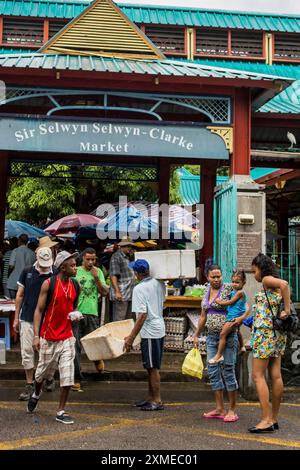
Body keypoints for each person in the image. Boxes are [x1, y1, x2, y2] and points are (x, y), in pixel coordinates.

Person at [27, 251, 80, 425]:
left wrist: (75, 315)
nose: (75, 268)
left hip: (67, 337)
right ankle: (36, 393)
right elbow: (39, 311)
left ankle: (61, 411)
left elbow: (72, 307)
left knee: (67, 375)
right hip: (48, 337)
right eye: (72, 265)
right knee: (40, 374)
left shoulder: (75, 285)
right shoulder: (48, 284)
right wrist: (36, 336)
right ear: (62, 267)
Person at [193, 264, 242, 423]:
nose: (216, 279)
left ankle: (232, 409)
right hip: (212, 338)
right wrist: (196, 334)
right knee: (213, 371)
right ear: (207, 277)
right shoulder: (206, 292)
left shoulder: (229, 289)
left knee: (228, 370)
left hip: (228, 337)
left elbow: (243, 306)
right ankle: (220, 408)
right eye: (213, 277)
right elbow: (202, 316)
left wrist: (236, 321)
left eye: (219, 276)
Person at [249, 253, 291, 434]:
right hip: (276, 333)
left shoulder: (267, 279)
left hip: (265, 333)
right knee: (275, 375)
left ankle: (266, 419)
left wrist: (287, 310)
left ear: (261, 268)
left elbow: (285, 284)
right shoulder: (271, 282)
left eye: (254, 270)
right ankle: (273, 418)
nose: (254, 275)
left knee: (257, 375)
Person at [13, 247, 56, 400]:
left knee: (48, 353)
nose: (45, 266)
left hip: (48, 320)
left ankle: (49, 377)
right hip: (27, 317)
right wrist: (16, 317)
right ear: (37, 258)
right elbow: (19, 295)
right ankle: (29, 383)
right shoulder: (27, 271)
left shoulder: (55, 273)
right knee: (27, 352)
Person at [124, 259, 165, 411]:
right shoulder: (159, 283)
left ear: (137, 273)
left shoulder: (139, 288)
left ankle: (157, 400)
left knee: (152, 367)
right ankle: (151, 397)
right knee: (150, 366)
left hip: (150, 331)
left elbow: (142, 316)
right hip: (159, 327)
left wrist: (131, 337)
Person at [72, 247, 108, 391]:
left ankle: (97, 359)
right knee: (75, 347)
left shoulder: (98, 271)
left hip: (92, 313)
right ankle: (76, 378)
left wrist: (97, 278)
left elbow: (105, 292)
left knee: (93, 343)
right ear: (83, 259)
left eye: (93, 259)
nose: (91, 262)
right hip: (77, 314)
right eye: (88, 259)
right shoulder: (76, 271)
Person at [209, 269, 248, 364]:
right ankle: (242, 346)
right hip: (233, 316)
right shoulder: (234, 291)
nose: (234, 284)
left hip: (233, 317)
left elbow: (230, 302)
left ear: (244, 282)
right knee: (237, 331)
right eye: (233, 282)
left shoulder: (240, 293)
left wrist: (219, 301)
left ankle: (219, 355)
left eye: (237, 282)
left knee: (222, 334)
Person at [109, 238, 136, 321]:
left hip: (129, 293)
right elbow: (113, 275)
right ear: (122, 247)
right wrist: (117, 292)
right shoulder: (116, 257)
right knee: (119, 320)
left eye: (130, 246)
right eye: (128, 246)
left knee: (128, 320)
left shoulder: (128, 257)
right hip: (122, 294)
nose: (130, 248)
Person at [7, 234, 36, 299]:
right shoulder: (33, 253)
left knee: (13, 304)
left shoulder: (15, 251)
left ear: (19, 241)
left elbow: (11, 266)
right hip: (27, 283)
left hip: (14, 282)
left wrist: (8, 276)